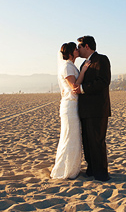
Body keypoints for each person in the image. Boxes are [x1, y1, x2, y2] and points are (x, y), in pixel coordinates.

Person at [51, 42, 90, 179]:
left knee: (73, 137)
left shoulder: (70, 66)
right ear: (69, 53)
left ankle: (71, 168)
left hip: (73, 105)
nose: (77, 50)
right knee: (69, 136)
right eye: (75, 49)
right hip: (70, 106)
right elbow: (74, 87)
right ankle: (64, 170)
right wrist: (84, 71)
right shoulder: (67, 66)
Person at [75, 35, 111, 181]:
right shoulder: (83, 64)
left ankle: (101, 173)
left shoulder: (102, 59)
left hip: (97, 109)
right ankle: (91, 169)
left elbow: (103, 81)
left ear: (87, 46)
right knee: (87, 141)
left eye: (79, 47)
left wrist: (83, 88)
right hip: (85, 110)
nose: (77, 50)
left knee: (97, 141)